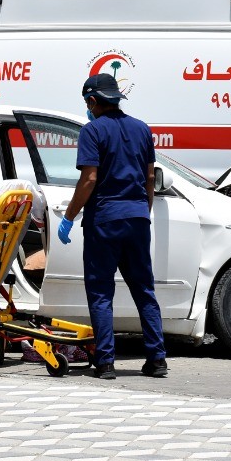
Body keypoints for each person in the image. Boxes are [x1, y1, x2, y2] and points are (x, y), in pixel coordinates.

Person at [58, 72, 167, 380]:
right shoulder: (142, 129)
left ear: (93, 101)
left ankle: (105, 363)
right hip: (137, 219)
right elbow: (149, 177)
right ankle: (157, 360)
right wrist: (142, 211)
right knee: (144, 290)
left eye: (87, 103)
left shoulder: (92, 131)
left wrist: (68, 217)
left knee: (101, 291)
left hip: (104, 221)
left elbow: (89, 179)